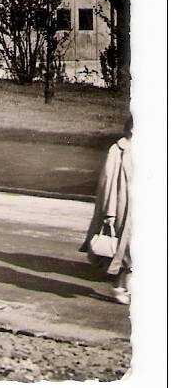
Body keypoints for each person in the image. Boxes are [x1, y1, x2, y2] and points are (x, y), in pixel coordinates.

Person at [81, 112, 132, 304]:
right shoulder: (117, 150)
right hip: (122, 208)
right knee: (126, 250)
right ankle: (119, 287)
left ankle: (124, 287)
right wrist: (109, 212)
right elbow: (108, 182)